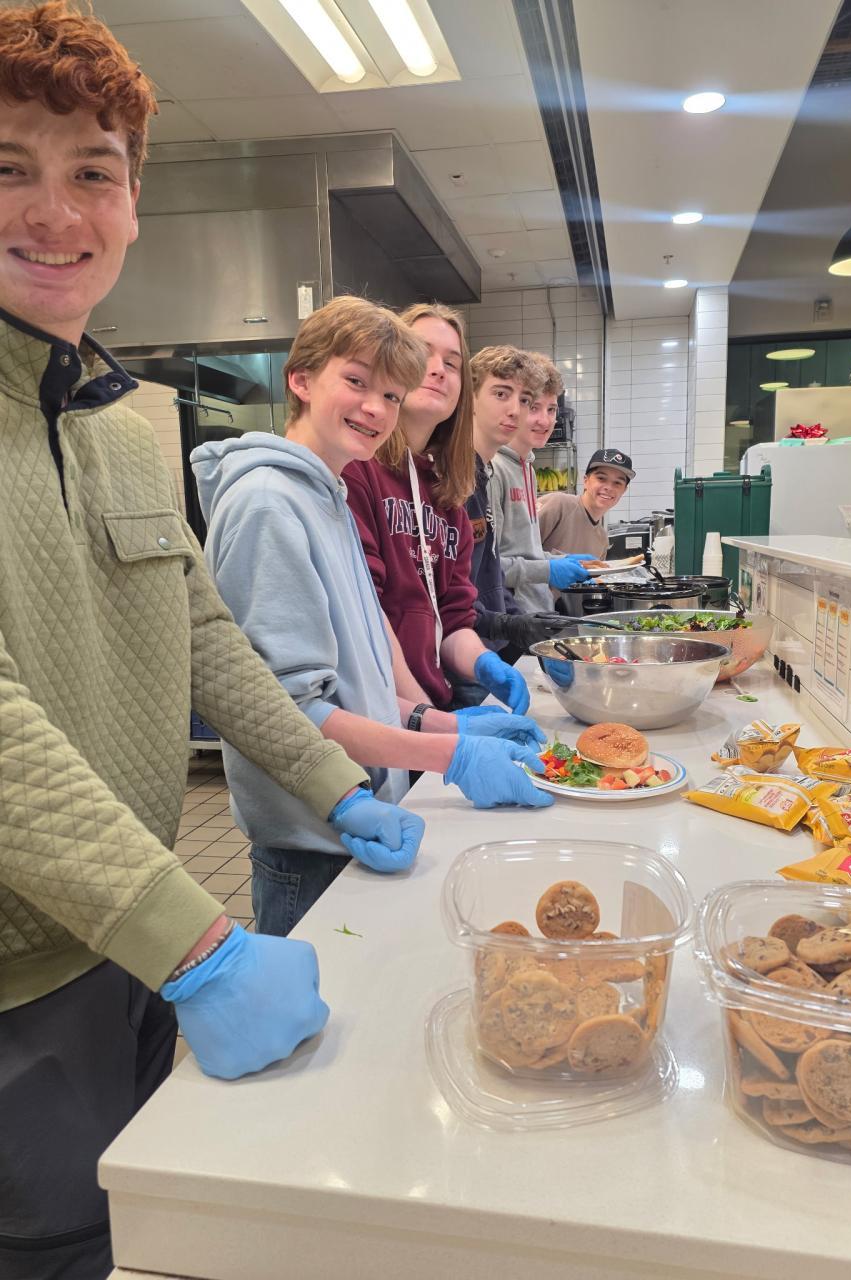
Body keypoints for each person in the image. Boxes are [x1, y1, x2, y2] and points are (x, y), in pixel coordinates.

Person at [0, 6, 400, 1275]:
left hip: (135, 941)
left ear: (132, 205)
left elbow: (205, 633)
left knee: (131, 1233)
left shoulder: (128, 419)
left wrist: (342, 785)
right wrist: (202, 941)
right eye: (7, 167)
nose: (54, 212)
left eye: (92, 172)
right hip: (21, 975)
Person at [193, 297, 552, 933]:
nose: (376, 408)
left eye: (390, 394)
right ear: (301, 380)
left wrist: (435, 721)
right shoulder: (268, 505)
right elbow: (288, 711)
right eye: (356, 382)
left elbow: (359, 670)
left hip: (359, 813)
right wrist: (450, 753)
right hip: (312, 835)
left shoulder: (328, 495)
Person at [344, 303, 530, 715]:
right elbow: (363, 616)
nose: (438, 370)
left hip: (430, 704)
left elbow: (454, 618)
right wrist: (427, 720)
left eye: (452, 363)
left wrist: (483, 663)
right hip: (377, 710)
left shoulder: (449, 495)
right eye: (421, 352)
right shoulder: (356, 469)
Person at [489, 351, 596, 611]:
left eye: (551, 409)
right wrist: (548, 570)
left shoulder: (528, 469)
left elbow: (523, 551)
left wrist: (558, 560)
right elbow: (486, 567)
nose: (544, 421)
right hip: (511, 618)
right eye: (534, 407)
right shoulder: (493, 469)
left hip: (538, 611)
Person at [538, 447, 635, 561]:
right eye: (601, 478)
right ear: (585, 481)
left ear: (624, 490)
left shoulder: (602, 540)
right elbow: (519, 550)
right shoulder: (558, 505)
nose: (609, 487)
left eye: (617, 483)